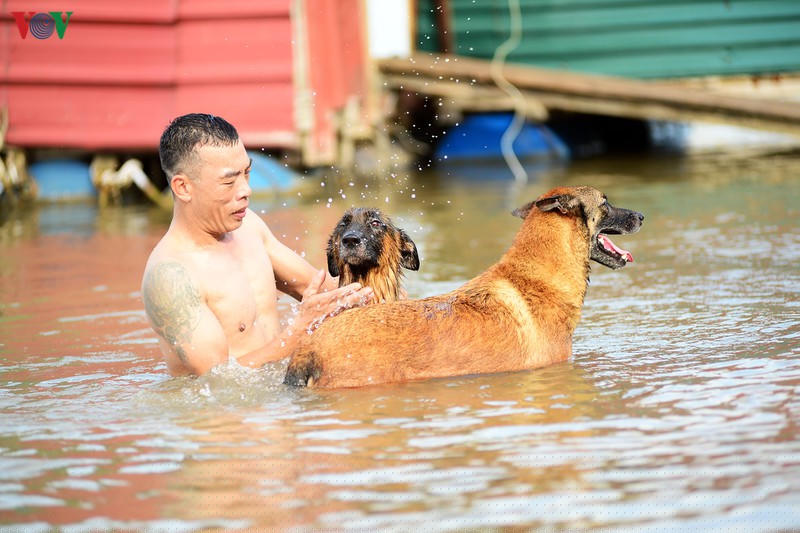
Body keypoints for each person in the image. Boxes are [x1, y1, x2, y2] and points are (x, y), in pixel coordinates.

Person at [141, 113, 373, 376]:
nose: (245, 190)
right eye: (229, 181)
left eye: (247, 173)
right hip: (233, 403)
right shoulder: (170, 276)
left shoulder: (249, 226)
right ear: (183, 187)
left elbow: (325, 294)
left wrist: (387, 299)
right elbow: (216, 379)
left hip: (283, 391)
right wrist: (298, 331)